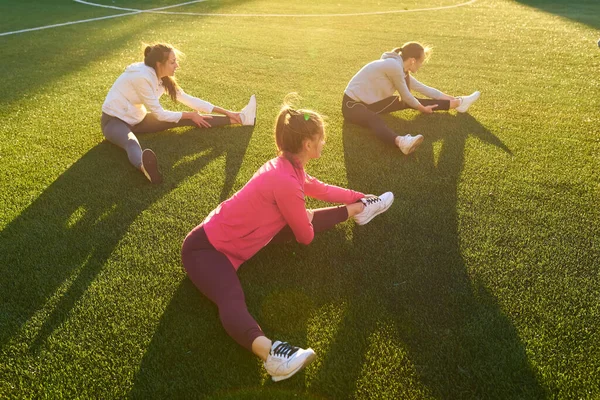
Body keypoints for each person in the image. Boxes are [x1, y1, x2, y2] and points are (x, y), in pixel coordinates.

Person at [181, 101, 394, 382]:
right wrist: (351, 208)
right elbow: (305, 236)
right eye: (321, 138)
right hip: (205, 250)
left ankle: (363, 208)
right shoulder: (285, 180)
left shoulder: (288, 165)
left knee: (298, 216)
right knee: (230, 297)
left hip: (241, 240)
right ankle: (272, 356)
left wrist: (359, 196)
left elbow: (319, 188)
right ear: (307, 143)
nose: (324, 142)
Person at [101, 43, 257, 183]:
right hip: (114, 121)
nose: (177, 65)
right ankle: (145, 168)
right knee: (131, 142)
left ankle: (240, 119)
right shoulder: (141, 77)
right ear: (159, 64)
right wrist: (188, 114)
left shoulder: (162, 77)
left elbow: (188, 99)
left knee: (190, 117)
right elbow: (159, 114)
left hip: (138, 119)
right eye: (173, 62)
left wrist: (227, 112)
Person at [342, 41, 480, 155]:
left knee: (405, 102)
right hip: (351, 105)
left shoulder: (401, 70)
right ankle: (401, 142)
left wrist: (452, 99)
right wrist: (422, 109)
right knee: (374, 118)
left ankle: (459, 103)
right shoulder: (393, 66)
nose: (421, 65)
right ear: (413, 61)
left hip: (370, 103)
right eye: (421, 62)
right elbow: (407, 96)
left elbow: (424, 89)